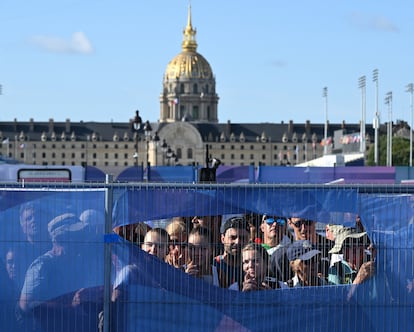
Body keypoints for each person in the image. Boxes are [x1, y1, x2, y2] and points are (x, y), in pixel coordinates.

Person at [112, 227, 170, 302]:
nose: (153, 249)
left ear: (167, 250)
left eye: (160, 246)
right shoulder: (131, 272)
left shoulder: (171, 276)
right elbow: (115, 301)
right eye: (149, 244)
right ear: (142, 247)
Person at [212, 216, 250, 290]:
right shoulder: (212, 266)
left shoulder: (252, 269)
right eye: (233, 237)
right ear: (222, 239)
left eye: (242, 238)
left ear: (249, 240)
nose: (237, 242)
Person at [260, 214, 293, 282]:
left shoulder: (293, 252)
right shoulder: (253, 250)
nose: (275, 224)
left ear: (285, 227)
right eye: (269, 220)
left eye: (280, 221)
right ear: (262, 227)